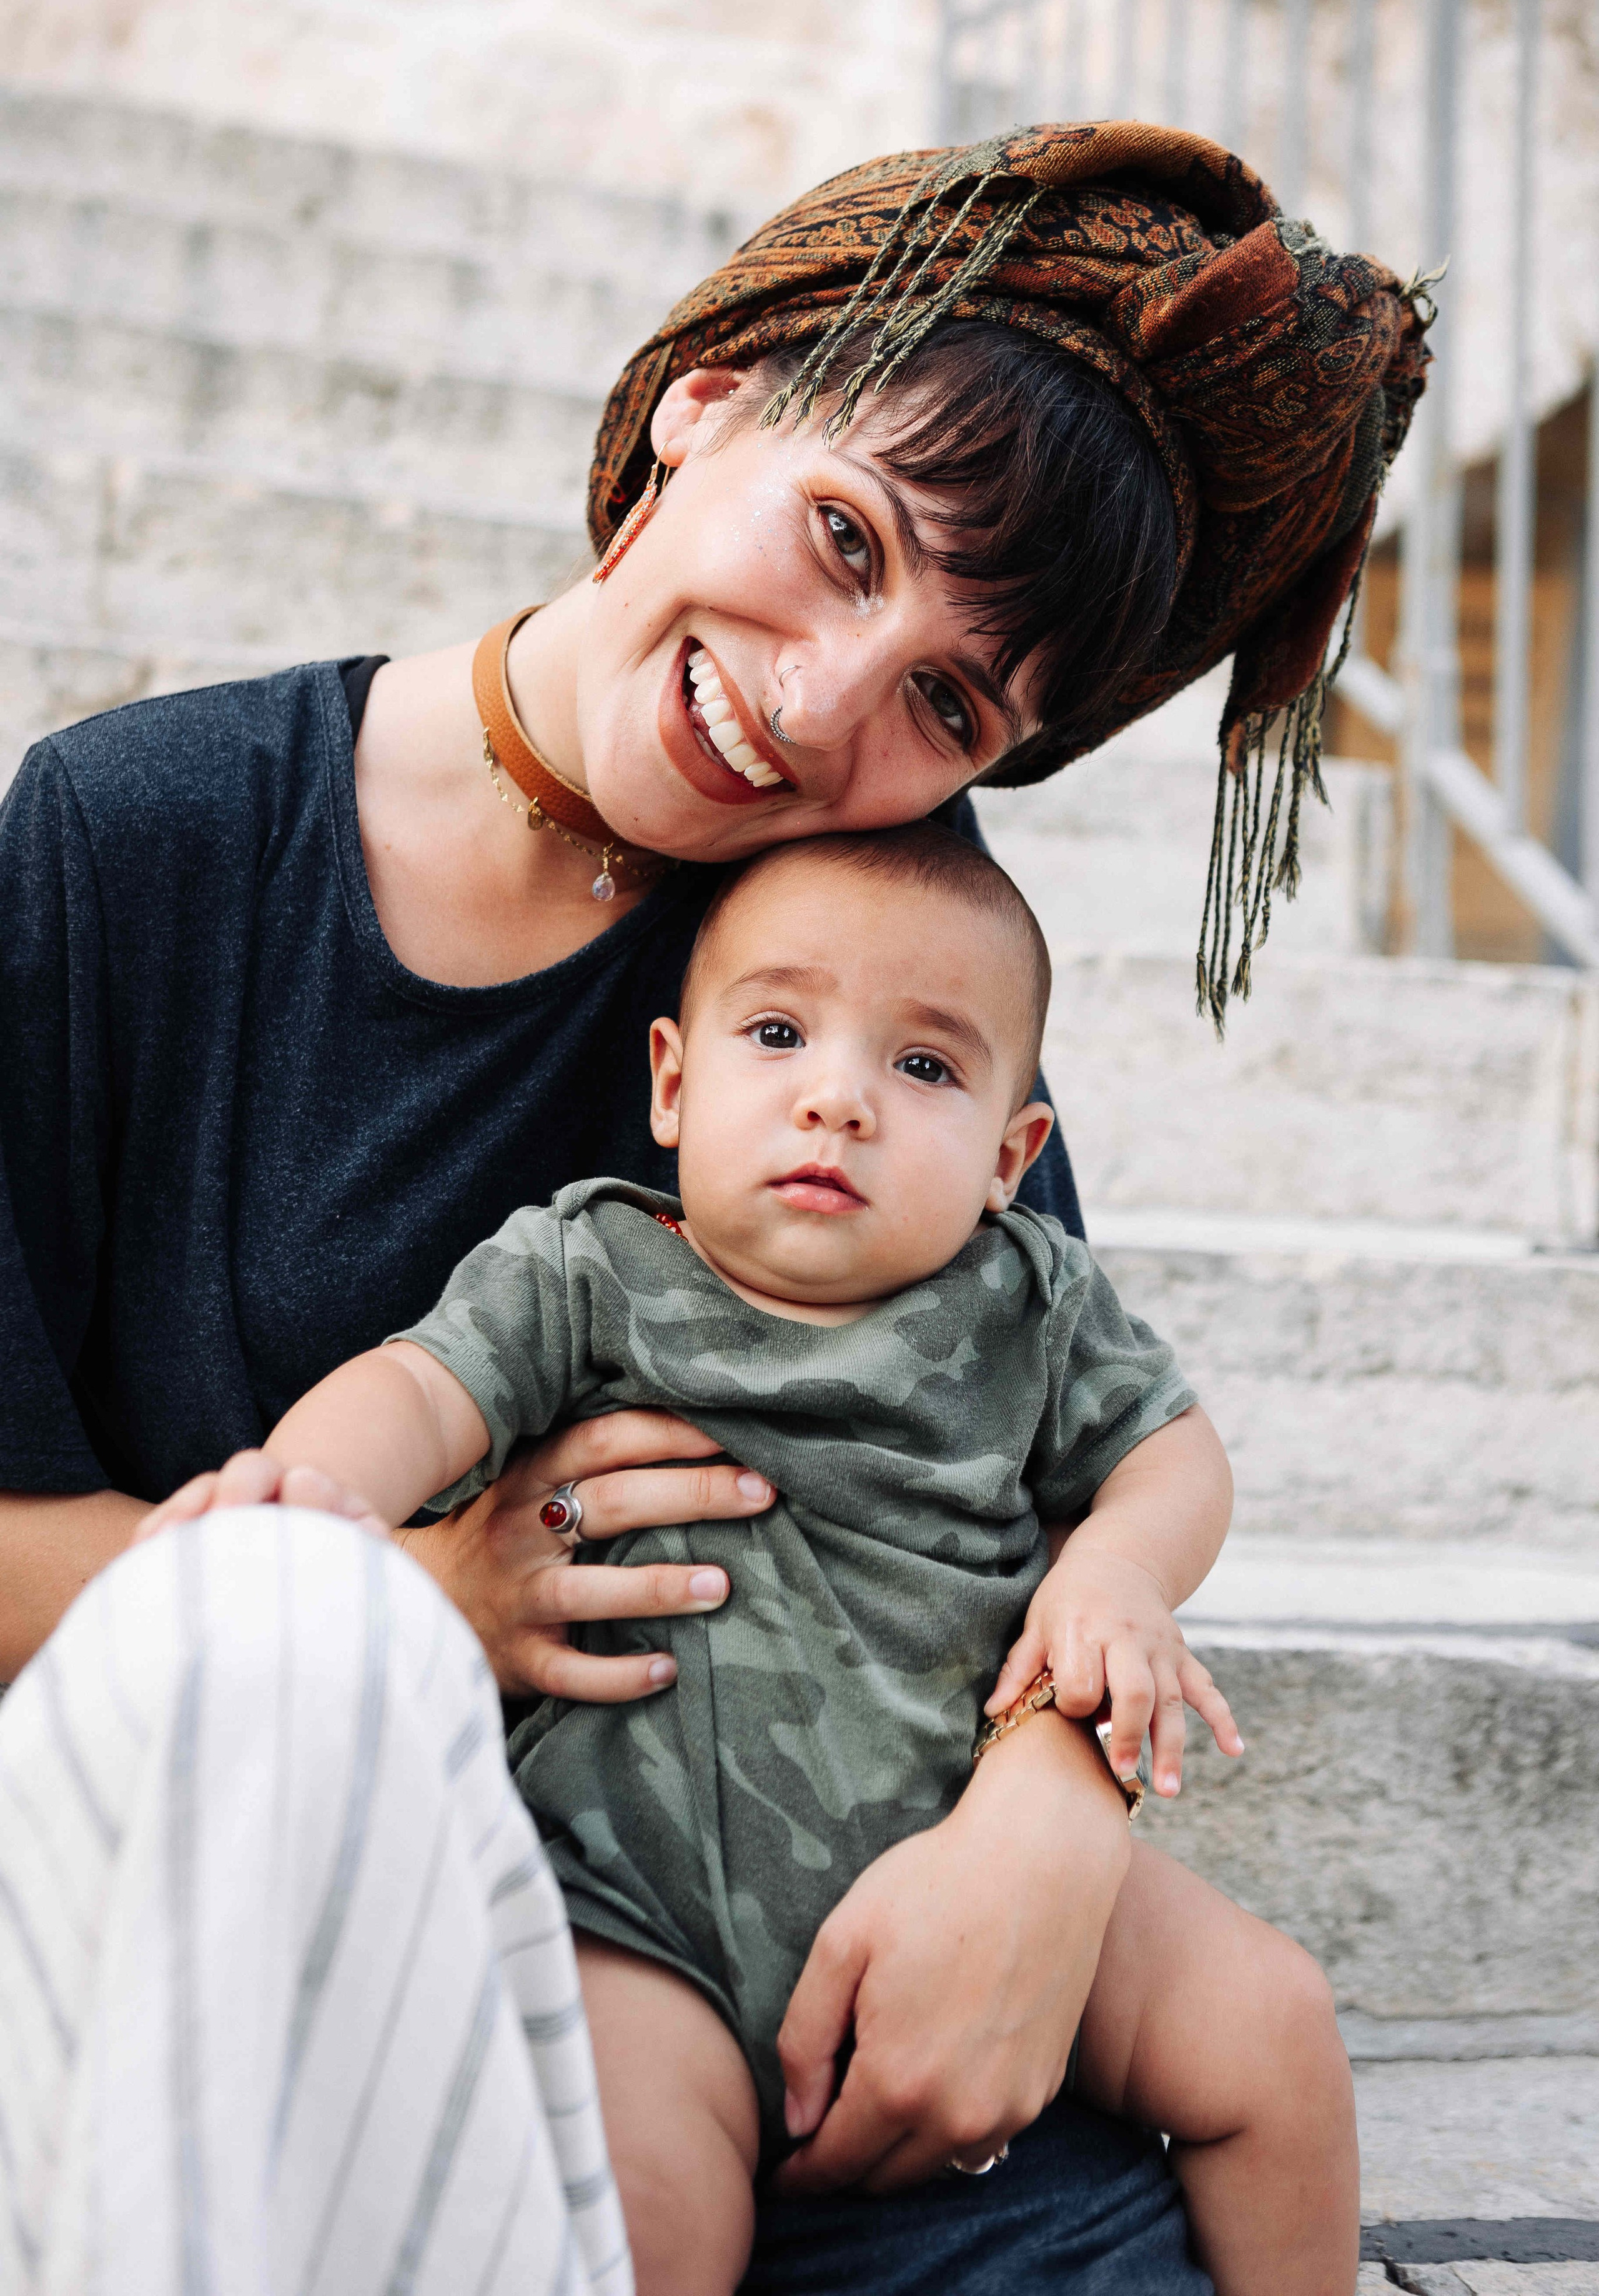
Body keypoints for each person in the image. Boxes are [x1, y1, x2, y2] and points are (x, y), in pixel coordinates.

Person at [0, 120, 1427, 2292]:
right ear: (712, 407)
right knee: (289, 1651)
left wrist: (1046, 1834)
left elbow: (1052, 1479)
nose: (820, 702)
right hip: (297, 1937)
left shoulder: (859, 973)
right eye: (847, 541)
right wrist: (418, 1603)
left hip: (809, 1988)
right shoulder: (145, 836)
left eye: (950, 701)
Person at [142, 823, 1357, 2296]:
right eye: (776, 1032)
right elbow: (417, 1388)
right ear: (672, 1081)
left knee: (1275, 2027)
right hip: (637, 1905)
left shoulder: (1025, 1301)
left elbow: (1174, 1457)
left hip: (958, 1851)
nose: (835, 1098)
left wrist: (1115, 1573)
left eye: (923, 1066)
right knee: (646, 2204)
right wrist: (310, 1492)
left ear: (1008, 1155)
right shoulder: (587, 1269)